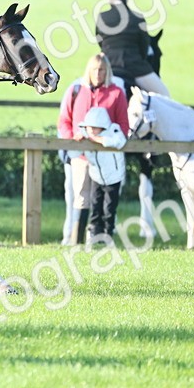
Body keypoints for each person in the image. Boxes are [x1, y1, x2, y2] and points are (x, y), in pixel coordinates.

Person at [57, 52, 130, 245]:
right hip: (80, 155)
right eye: (95, 69)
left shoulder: (116, 93)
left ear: (107, 71)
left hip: (105, 159)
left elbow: (123, 125)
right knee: (80, 196)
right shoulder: (76, 91)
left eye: (102, 70)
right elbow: (64, 121)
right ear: (89, 71)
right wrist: (72, 138)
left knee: (104, 198)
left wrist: (102, 139)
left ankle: (101, 237)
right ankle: (76, 239)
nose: (98, 73)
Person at [96, 0, 169, 95]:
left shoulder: (101, 18)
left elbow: (101, 43)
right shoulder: (138, 18)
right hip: (136, 69)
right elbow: (144, 49)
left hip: (109, 68)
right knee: (164, 96)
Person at [76, 106, 127, 244]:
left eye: (95, 127)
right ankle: (94, 234)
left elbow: (119, 142)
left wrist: (98, 140)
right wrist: (81, 139)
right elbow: (73, 151)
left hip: (113, 177)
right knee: (95, 205)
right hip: (96, 176)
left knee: (109, 208)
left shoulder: (114, 131)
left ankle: (108, 235)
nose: (91, 130)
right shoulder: (85, 135)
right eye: (89, 127)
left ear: (103, 127)